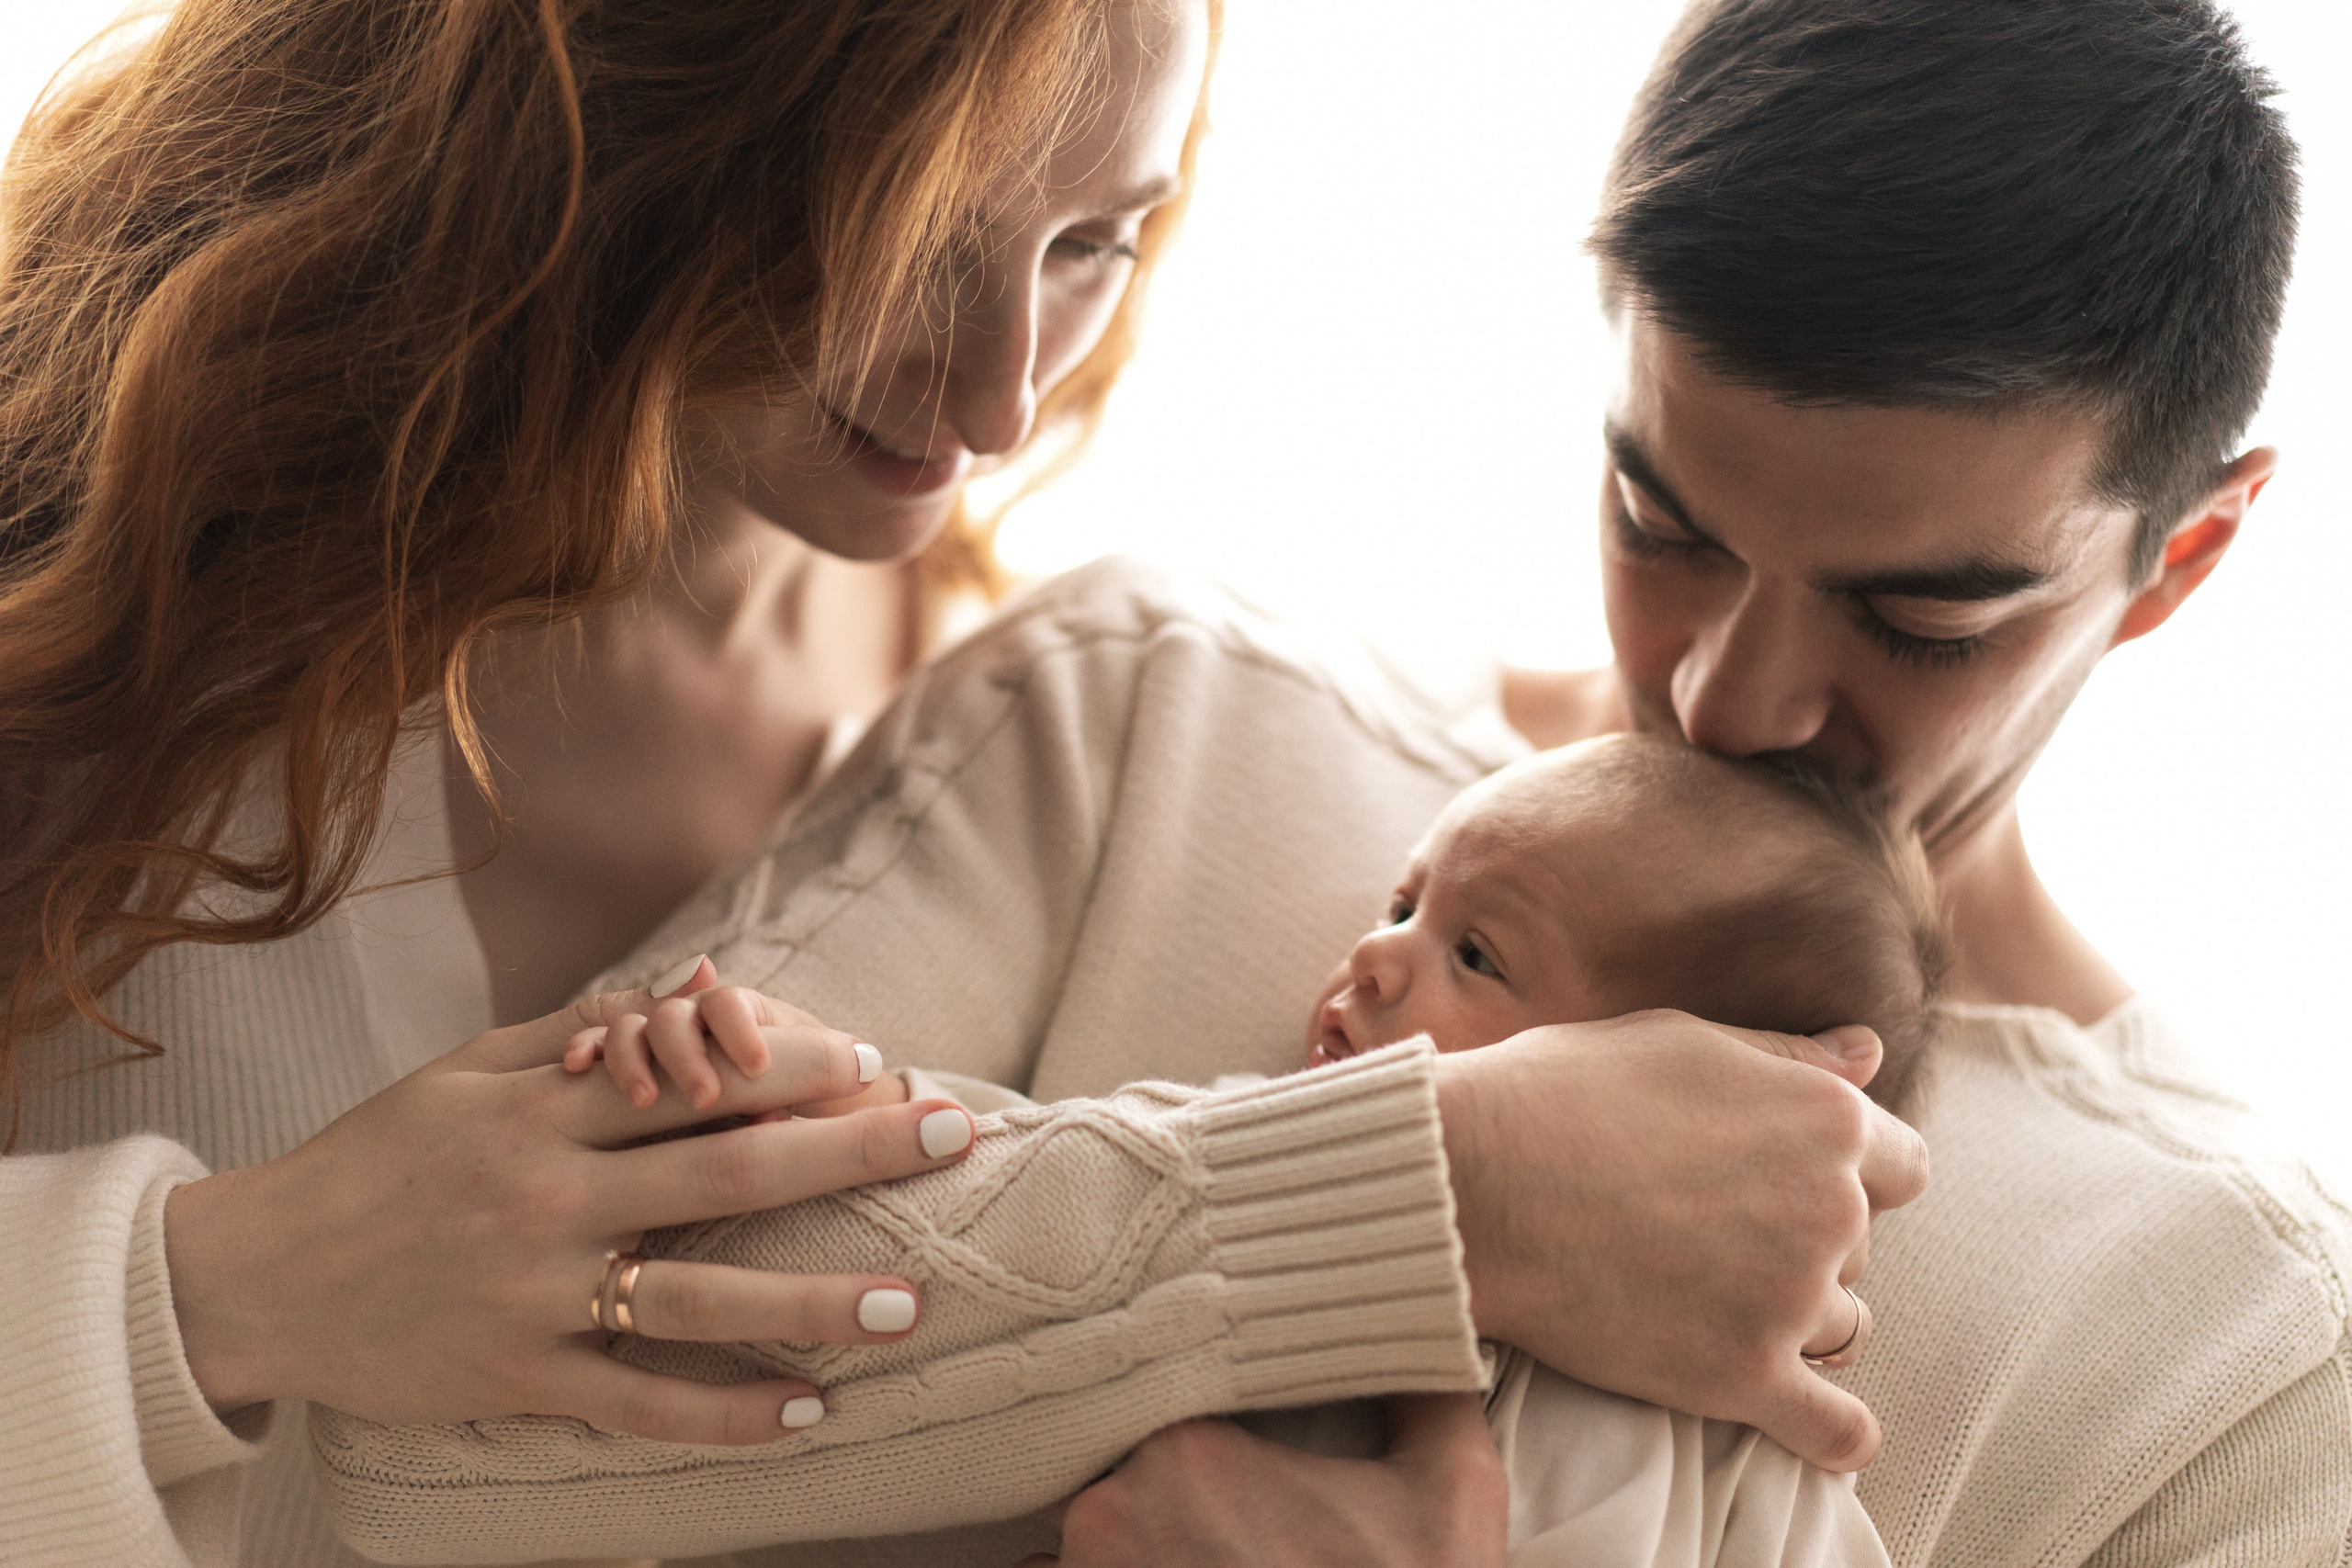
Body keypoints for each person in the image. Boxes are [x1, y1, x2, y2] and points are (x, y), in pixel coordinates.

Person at [322, 0, 2345, 1562]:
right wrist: (1403, 1193)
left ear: (2181, 554)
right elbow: (389, 1437)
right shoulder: (1160, 713)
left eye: (1915, 620)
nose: (1725, 694)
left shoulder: (2238, 1352)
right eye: (1658, 513)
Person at [0, 0, 1926, 1563]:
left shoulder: (1017, 683)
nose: (1002, 395)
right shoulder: (78, 600)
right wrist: (210, 1288)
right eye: (909, 242)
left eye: (1096, 239)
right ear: (603, 98)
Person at [560, 732, 1947, 1568]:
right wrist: (801, 1084)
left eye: (1477, 950)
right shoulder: (1287, 1172)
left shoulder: (1700, 1430)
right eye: (1404, 901)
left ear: (1699, 1097)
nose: (1378, 955)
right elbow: (1037, 1174)